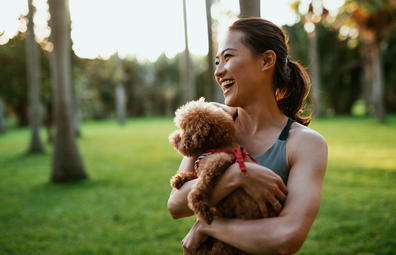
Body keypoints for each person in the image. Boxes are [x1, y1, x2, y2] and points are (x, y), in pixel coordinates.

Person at [167, 17, 328, 255]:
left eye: (228, 57)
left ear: (266, 60)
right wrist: (238, 174)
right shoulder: (212, 120)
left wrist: (208, 227)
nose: (218, 71)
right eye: (216, 61)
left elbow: (288, 237)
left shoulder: (305, 144)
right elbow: (176, 205)